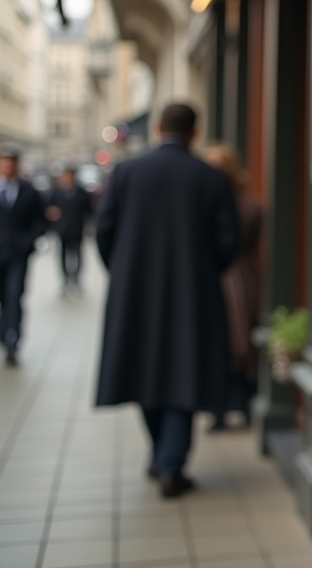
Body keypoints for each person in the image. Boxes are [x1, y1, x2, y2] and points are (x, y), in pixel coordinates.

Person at [95, 104, 239, 498]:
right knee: (185, 369)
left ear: (158, 128)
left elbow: (104, 230)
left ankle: (164, 456)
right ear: (196, 132)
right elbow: (229, 241)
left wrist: (124, 271)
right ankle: (170, 462)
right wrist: (202, 271)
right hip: (193, 292)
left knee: (143, 370)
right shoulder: (210, 177)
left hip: (135, 291)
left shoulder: (126, 172)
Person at [202, 142, 263, 430]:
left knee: (241, 340)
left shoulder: (248, 206)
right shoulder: (202, 203)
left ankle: (241, 402)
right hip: (214, 276)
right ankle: (219, 407)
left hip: (237, 279)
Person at [0, 143, 47, 366]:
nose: (7, 167)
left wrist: (28, 242)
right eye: (4, 163)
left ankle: (13, 339)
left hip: (18, 256)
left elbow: (40, 220)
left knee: (14, 296)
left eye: (11, 163)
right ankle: (4, 332)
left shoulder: (29, 191)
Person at [45, 166, 93, 294]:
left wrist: (89, 224)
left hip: (77, 229)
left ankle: (76, 279)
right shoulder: (56, 192)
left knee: (78, 255)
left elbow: (89, 210)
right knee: (62, 255)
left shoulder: (81, 192)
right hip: (62, 229)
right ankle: (65, 279)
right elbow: (48, 208)